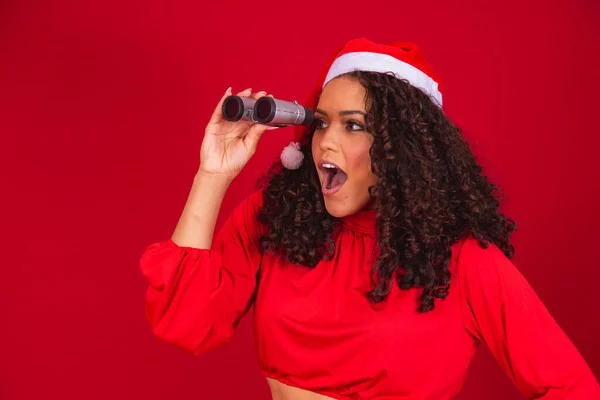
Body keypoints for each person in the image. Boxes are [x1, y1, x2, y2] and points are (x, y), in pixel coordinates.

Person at [139, 38, 600, 399]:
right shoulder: (278, 219)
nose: (325, 142)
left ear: (404, 150)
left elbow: (569, 388)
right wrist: (212, 174)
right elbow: (186, 320)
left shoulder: (463, 262)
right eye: (321, 122)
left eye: (354, 125)